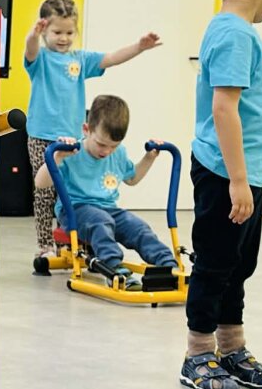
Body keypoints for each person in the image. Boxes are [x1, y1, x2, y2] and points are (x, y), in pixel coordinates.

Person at [180, 0, 262, 389]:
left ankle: (231, 347)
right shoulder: (235, 35)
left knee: (238, 264)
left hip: (243, 171)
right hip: (226, 173)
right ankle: (198, 353)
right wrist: (238, 181)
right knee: (215, 264)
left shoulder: (233, 32)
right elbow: (224, 108)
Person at [24, 0, 161, 268]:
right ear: (45, 30)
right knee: (46, 192)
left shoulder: (80, 59)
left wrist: (139, 47)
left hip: (73, 136)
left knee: (73, 192)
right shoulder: (41, 59)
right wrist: (33, 35)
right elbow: (30, 51)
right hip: (42, 135)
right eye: (57, 32)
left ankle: (72, 243)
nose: (64, 38)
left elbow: (110, 58)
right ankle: (45, 245)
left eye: (69, 32)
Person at [35, 95, 177, 289]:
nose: (107, 151)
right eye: (101, 144)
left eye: (114, 146)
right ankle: (113, 268)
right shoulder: (72, 151)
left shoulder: (119, 153)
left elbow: (132, 179)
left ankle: (168, 264)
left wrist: (150, 157)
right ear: (87, 129)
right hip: (75, 210)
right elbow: (40, 183)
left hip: (109, 210)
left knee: (138, 227)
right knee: (101, 221)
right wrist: (58, 156)